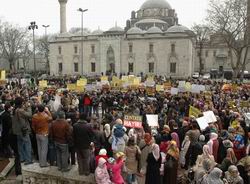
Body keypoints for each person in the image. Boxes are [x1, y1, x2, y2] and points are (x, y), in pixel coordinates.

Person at [12, 97, 33, 165]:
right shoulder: (20, 111)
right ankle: (28, 160)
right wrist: (29, 107)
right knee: (27, 145)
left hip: (17, 131)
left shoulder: (15, 109)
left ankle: (22, 158)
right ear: (21, 103)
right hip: (23, 130)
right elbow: (29, 115)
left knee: (20, 145)